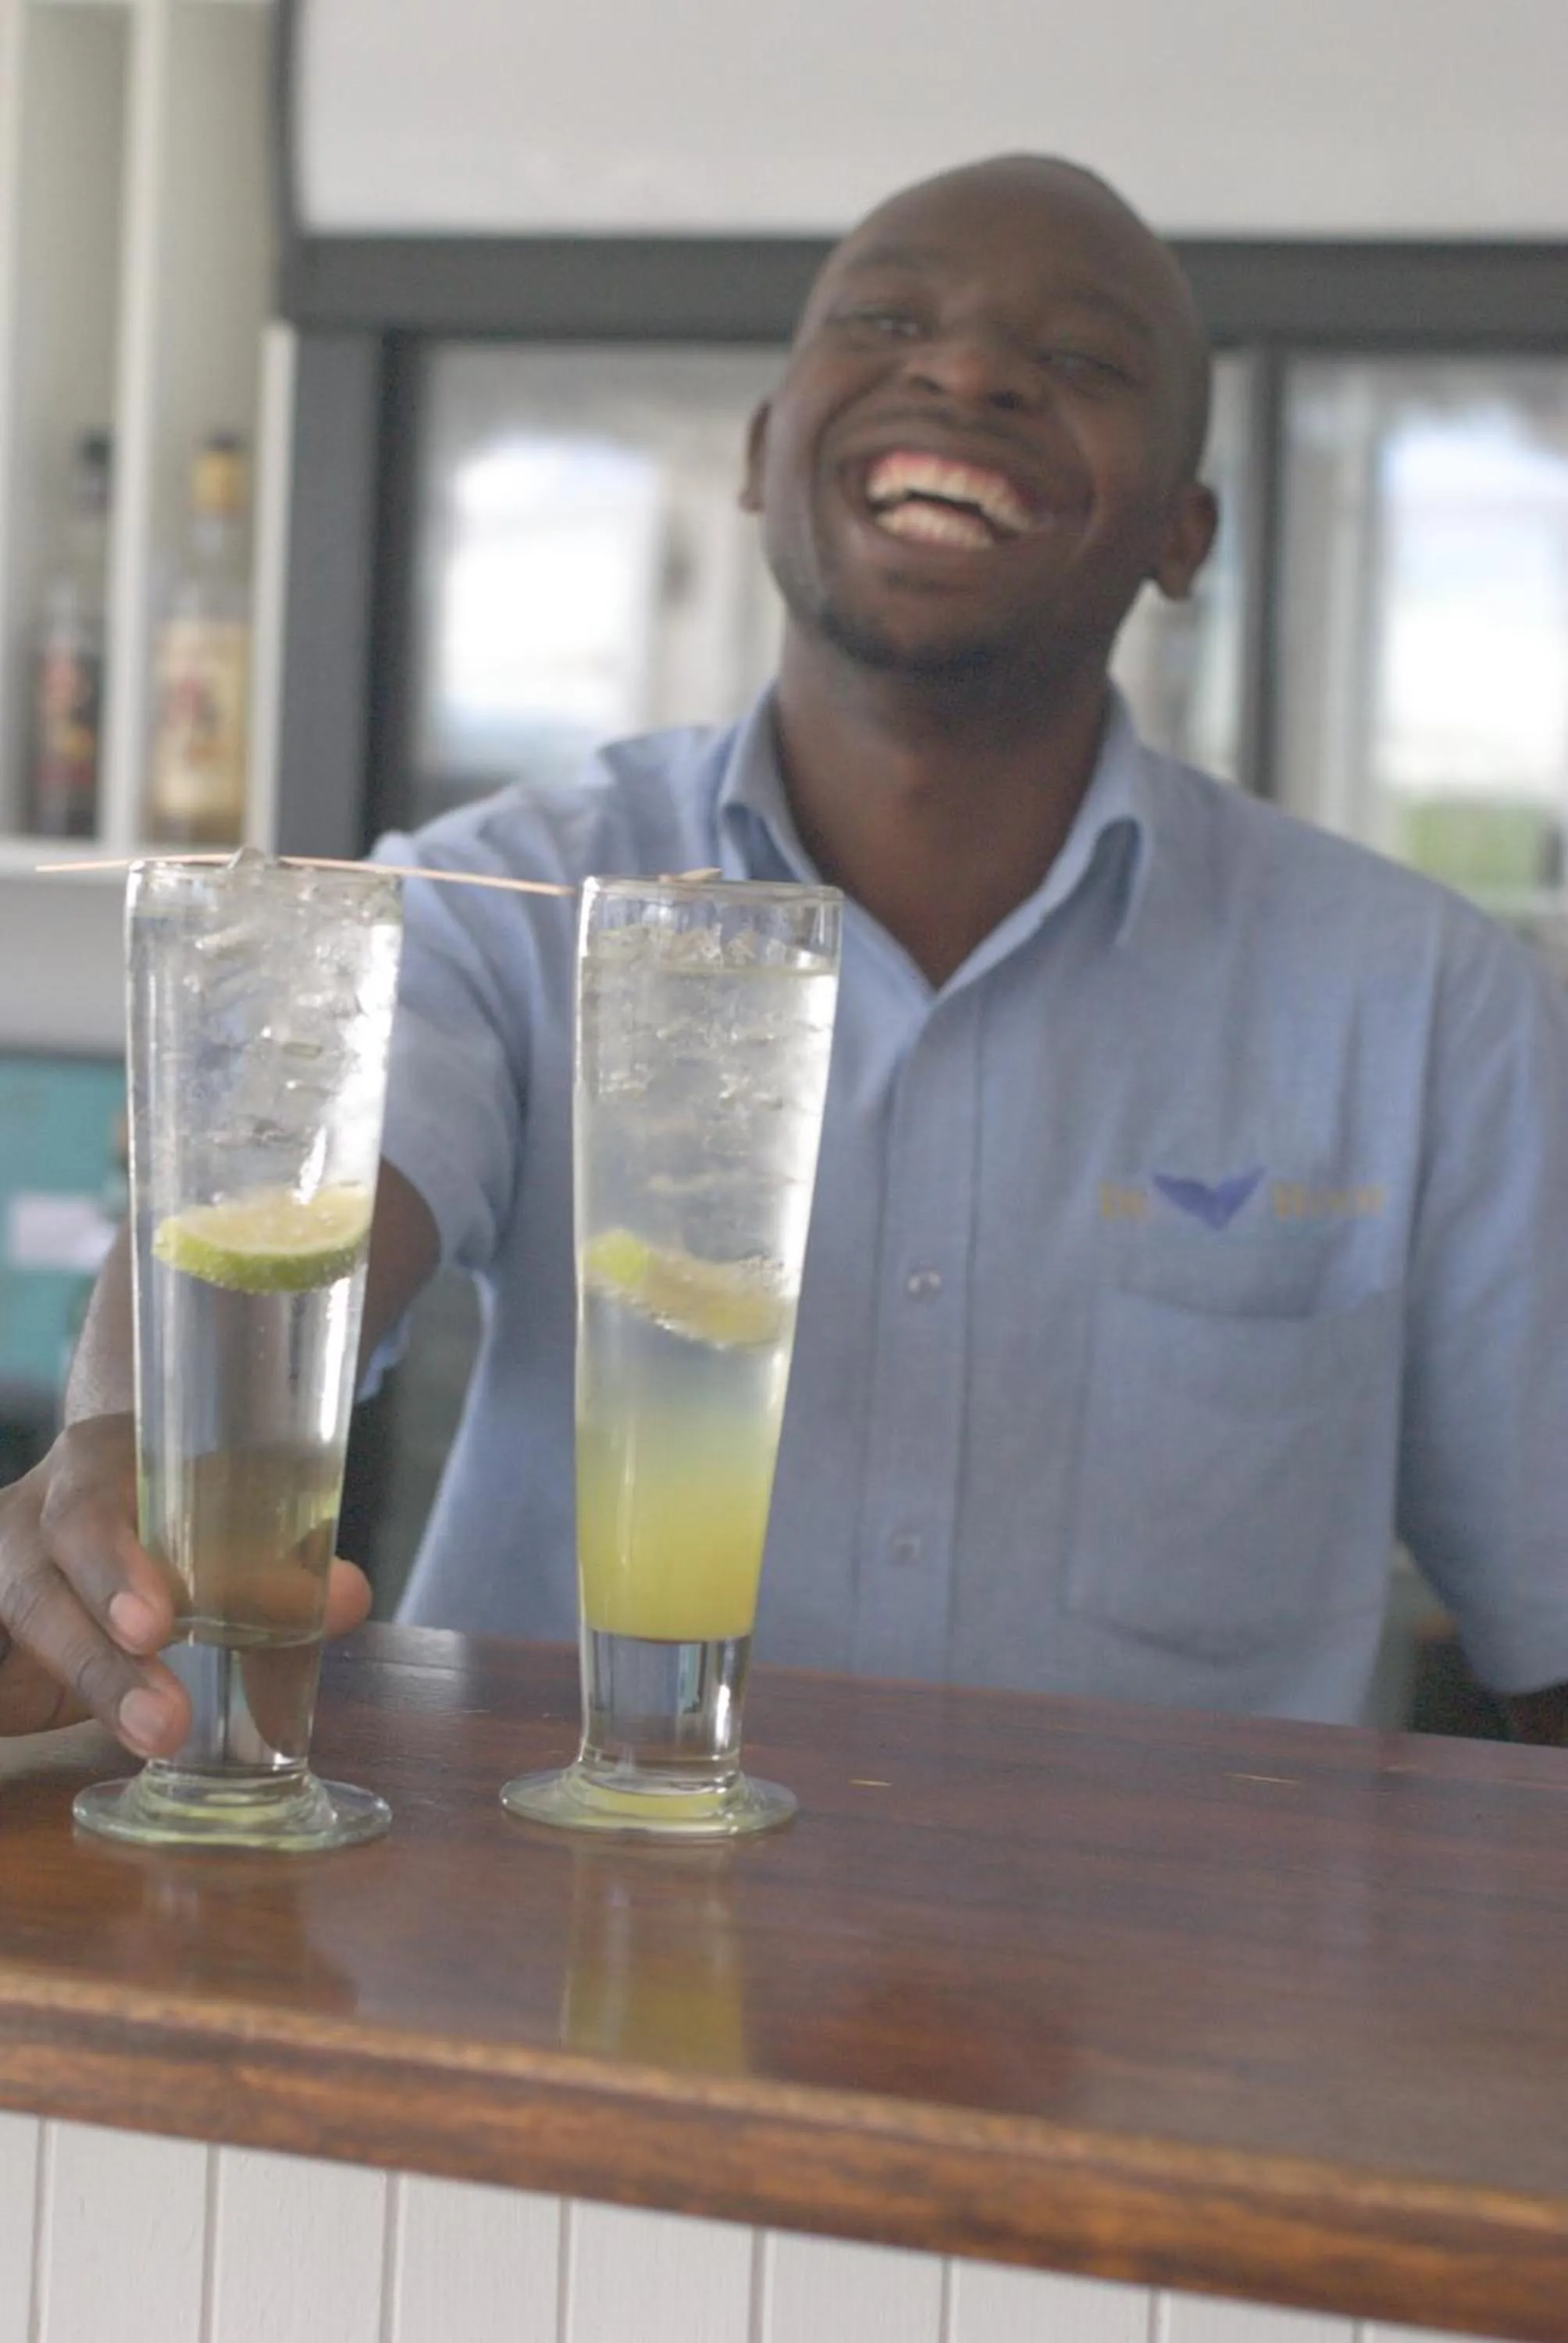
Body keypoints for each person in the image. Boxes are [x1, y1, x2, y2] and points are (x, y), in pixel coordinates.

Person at [5, 153, 1568, 1754]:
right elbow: (275, 1210)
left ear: (1184, 533)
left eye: (1080, 359)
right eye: (886, 321)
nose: (968, 371)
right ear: (762, 454)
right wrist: (128, 1439)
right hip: (543, 1894)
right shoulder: (507, 895)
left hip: (1173, 1919)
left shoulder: (1430, 1009)